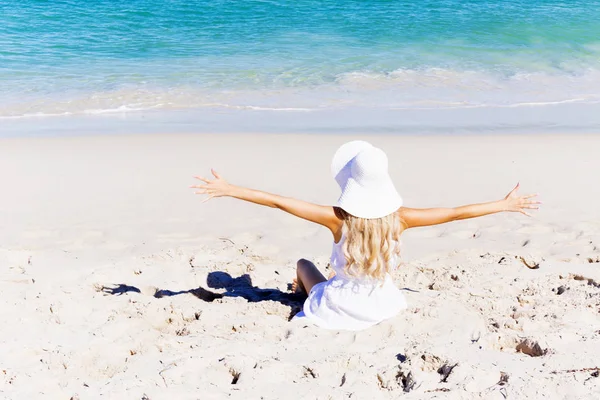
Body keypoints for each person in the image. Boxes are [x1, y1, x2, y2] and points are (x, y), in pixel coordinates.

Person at [190, 141, 539, 331]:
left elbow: (280, 203)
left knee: (302, 263)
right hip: (382, 303)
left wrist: (230, 188)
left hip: (338, 304)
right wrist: (504, 204)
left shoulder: (337, 219)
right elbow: (455, 212)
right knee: (328, 272)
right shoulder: (400, 220)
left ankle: (301, 295)